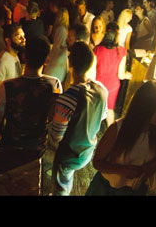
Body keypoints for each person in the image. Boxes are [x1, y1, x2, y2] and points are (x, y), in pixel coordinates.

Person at [86, 80, 156, 196]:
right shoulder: (117, 129)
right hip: (107, 188)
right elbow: (97, 162)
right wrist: (121, 170)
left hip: (136, 189)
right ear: (146, 108)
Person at [50, 42, 108, 195]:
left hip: (68, 155)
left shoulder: (67, 98)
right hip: (87, 151)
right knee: (68, 177)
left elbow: (56, 135)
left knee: (61, 187)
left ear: (70, 63)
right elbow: (102, 116)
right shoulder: (102, 89)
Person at [0, 35, 61, 153]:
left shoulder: (6, 86)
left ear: (24, 56)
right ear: (47, 60)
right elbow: (52, 119)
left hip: (10, 147)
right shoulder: (53, 85)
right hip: (37, 148)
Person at [94, 22, 130, 125]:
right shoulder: (121, 51)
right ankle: (112, 131)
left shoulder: (97, 49)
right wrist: (127, 75)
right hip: (112, 86)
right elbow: (120, 75)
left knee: (95, 108)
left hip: (98, 84)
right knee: (109, 110)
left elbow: (93, 70)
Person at [0, 24, 26, 112]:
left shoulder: (15, 56)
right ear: (8, 40)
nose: (23, 39)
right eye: (18, 37)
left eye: (23, 36)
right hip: (2, 112)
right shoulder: (0, 61)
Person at [43, 8, 70, 86]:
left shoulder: (60, 29)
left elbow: (58, 44)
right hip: (60, 55)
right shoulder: (62, 29)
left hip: (58, 56)